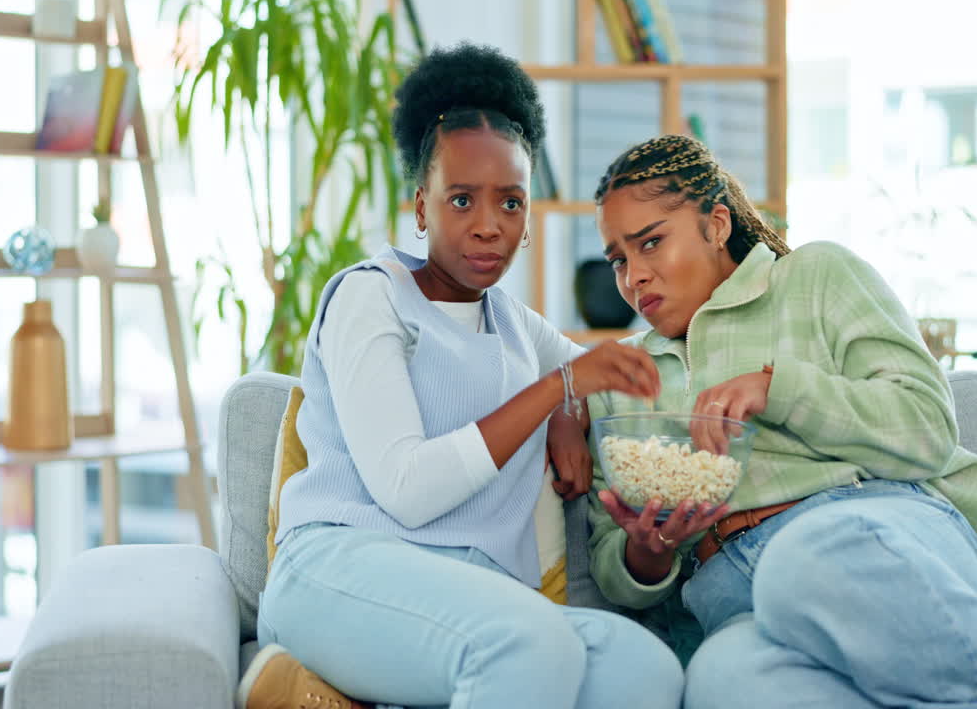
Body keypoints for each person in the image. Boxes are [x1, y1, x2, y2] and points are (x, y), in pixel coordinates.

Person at [586, 133, 977, 709]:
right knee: (723, 681)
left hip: (876, 537)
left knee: (799, 559)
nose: (633, 277)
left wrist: (777, 387)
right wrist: (649, 553)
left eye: (652, 243)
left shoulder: (815, 278)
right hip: (730, 595)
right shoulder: (622, 378)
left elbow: (926, 428)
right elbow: (615, 564)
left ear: (716, 225)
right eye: (618, 259)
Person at [237, 45, 683, 709]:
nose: (488, 226)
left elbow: (584, 374)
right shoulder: (369, 297)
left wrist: (568, 409)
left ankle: (338, 695)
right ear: (421, 207)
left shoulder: (514, 324)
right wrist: (554, 395)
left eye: (510, 203)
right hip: (340, 571)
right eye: (462, 200)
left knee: (643, 668)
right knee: (530, 644)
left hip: (470, 595)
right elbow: (408, 489)